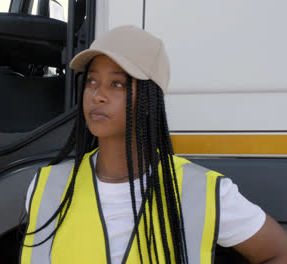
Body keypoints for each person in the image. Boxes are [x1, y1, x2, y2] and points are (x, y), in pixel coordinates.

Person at [20, 25, 287, 264]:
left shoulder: (202, 192)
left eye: (117, 84)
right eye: (92, 80)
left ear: (149, 101)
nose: (98, 95)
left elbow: (279, 252)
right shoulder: (47, 187)